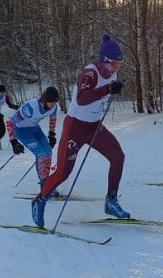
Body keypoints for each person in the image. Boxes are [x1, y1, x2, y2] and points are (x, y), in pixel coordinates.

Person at [31, 34, 130, 228]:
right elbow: (82, 99)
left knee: (118, 156)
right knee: (63, 173)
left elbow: (106, 92)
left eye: (119, 65)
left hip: (93, 127)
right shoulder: (89, 74)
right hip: (75, 127)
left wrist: (113, 88)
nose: (116, 69)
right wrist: (108, 89)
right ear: (103, 61)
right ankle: (40, 201)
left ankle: (111, 201)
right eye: (114, 64)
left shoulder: (112, 74)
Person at [6, 86, 59, 188]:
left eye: (55, 102)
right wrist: (14, 142)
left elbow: (53, 119)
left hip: (35, 129)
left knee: (48, 153)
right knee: (41, 154)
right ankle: (45, 187)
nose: (53, 105)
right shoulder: (30, 107)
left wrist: (52, 135)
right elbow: (10, 122)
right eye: (51, 102)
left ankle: (46, 183)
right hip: (21, 130)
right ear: (44, 100)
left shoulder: (54, 107)